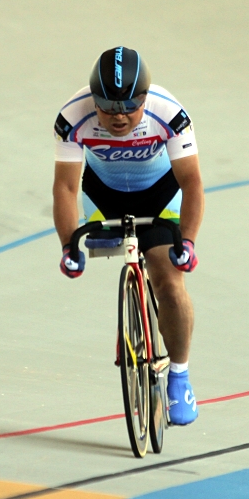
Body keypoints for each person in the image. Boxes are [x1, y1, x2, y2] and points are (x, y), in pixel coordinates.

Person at [52, 46, 205, 425]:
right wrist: (68, 245)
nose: (119, 116)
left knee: (169, 282)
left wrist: (187, 242)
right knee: (102, 244)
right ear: (94, 101)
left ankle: (180, 376)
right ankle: (134, 315)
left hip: (160, 194)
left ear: (145, 98)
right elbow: (65, 188)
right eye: (107, 107)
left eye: (129, 107)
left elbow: (192, 183)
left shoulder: (169, 113)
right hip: (102, 196)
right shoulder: (71, 117)